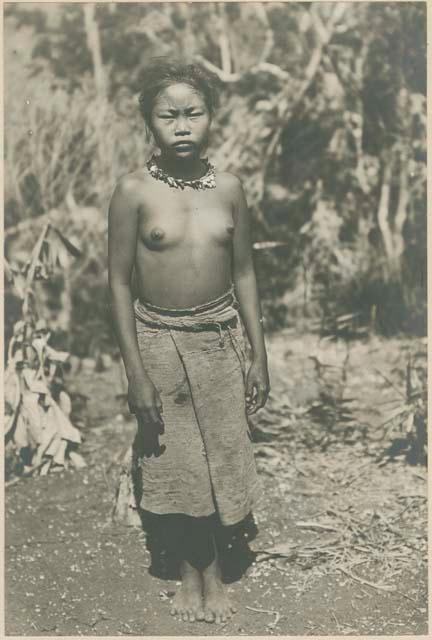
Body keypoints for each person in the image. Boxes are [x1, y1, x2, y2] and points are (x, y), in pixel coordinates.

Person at [108, 59, 270, 624]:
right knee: (175, 461)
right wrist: (135, 372)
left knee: (223, 452)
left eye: (192, 114)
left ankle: (220, 571)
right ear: (149, 122)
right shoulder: (133, 192)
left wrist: (259, 357)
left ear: (210, 119)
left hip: (220, 340)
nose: (181, 126)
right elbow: (119, 281)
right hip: (159, 342)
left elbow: (245, 273)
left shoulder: (230, 189)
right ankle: (187, 571)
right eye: (167, 115)